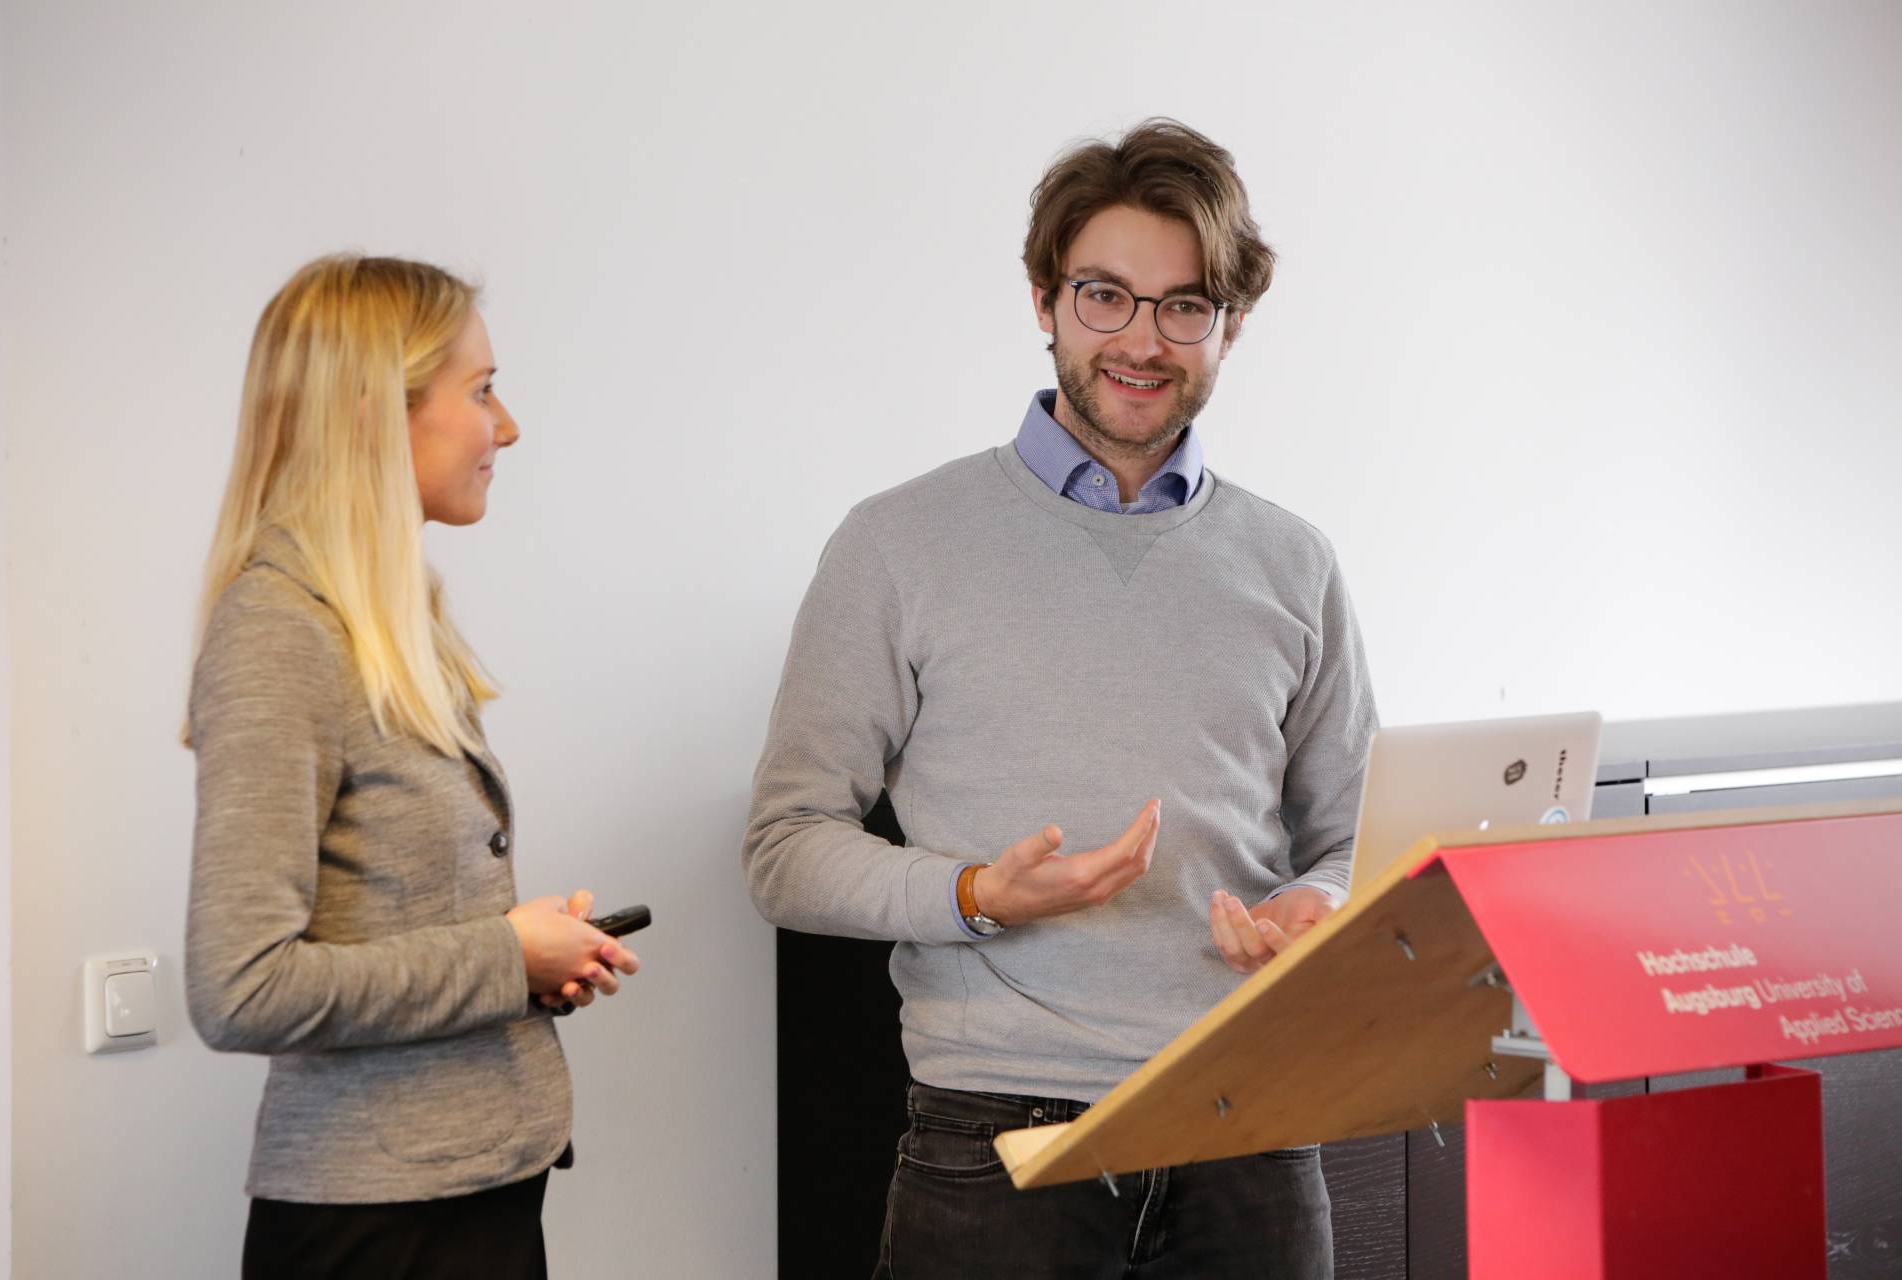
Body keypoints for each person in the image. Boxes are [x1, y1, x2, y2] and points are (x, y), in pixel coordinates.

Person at [744, 119, 1377, 1278]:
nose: (1142, 339)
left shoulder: (1295, 562)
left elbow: (1351, 840)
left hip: (1252, 1123)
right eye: (1105, 295)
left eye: (1184, 305)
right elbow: (785, 851)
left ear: (1231, 324)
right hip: (1000, 1141)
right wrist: (979, 892)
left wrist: (1319, 905)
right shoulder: (898, 544)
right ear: (1044, 301)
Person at [184, 255, 638, 1279]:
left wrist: (537, 961)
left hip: (470, 1193)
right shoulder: (279, 632)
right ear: (371, 415)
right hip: (376, 1227)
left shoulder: (383, 620)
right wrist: (501, 955)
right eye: (480, 392)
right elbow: (239, 986)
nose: (507, 426)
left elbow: (399, 924)